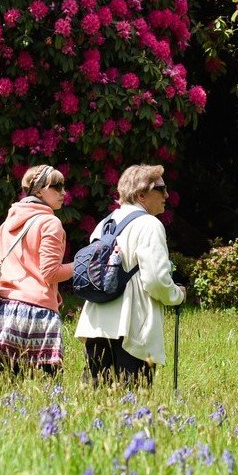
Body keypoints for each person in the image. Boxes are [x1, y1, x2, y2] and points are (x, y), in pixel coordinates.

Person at [75, 163, 185, 389]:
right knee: (133, 405)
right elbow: (156, 280)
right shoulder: (150, 225)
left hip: (95, 324)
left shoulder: (104, 224)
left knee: (95, 403)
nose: (167, 194)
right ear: (141, 194)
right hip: (132, 327)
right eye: (161, 188)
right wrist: (177, 295)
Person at [0, 164, 74, 376]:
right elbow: (51, 273)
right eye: (56, 186)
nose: (64, 192)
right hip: (38, 313)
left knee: (10, 389)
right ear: (38, 190)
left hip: (6, 310)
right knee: (49, 393)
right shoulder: (50, 223)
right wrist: (81, 266)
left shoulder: (8, 222)